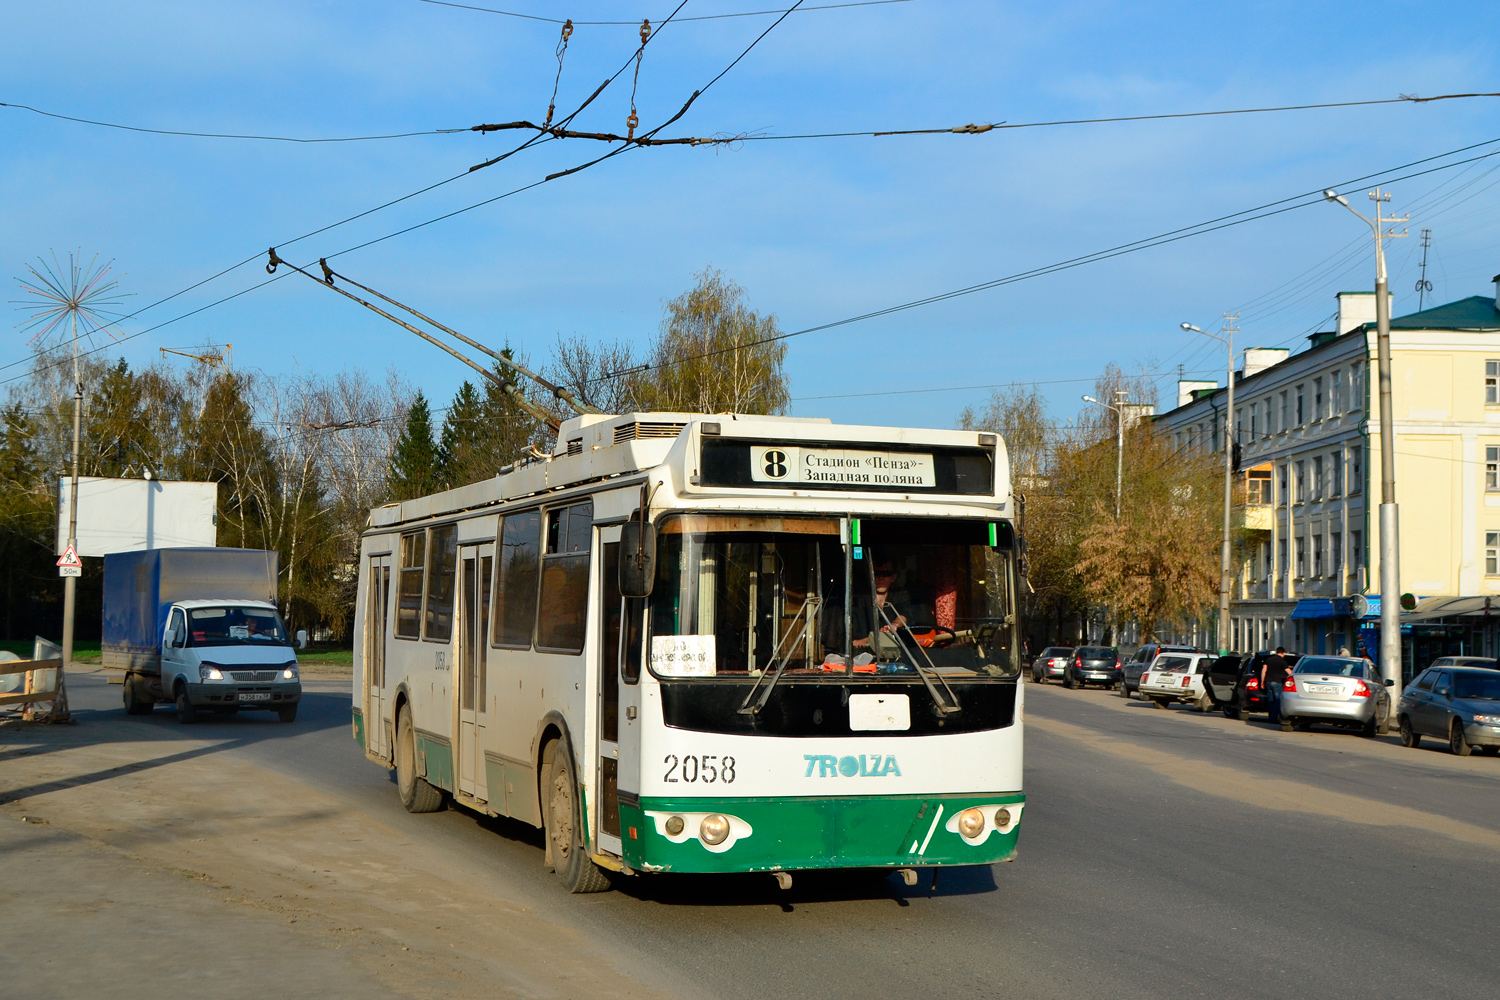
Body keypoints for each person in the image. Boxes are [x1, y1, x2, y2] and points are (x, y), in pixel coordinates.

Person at [1262, 646, 1291, 727]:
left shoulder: (1269, 660)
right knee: (1277, 701)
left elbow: (1263, 671)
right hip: (1277, 682)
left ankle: (1270, 718)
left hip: (1268, 682)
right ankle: (1274, 719)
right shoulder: (1282, 661)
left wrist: (1262, 682)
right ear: (1283, 653)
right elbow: (1289, 673)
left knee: (1270, 701)